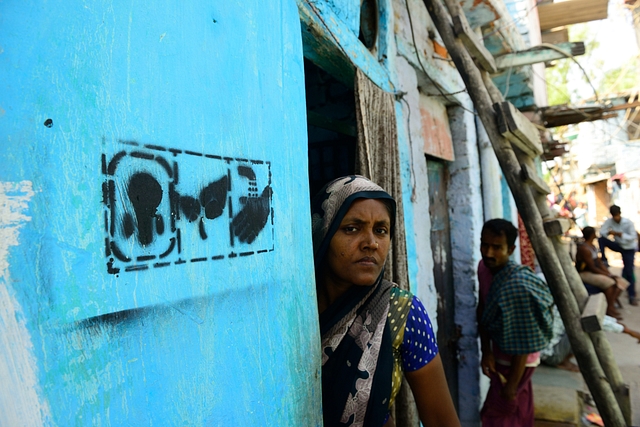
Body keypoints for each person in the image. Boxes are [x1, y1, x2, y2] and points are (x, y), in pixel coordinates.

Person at [311, 175, 460, 427]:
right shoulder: (293, 308)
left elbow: (440, 419)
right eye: (352, 228)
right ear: (323, 232)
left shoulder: (401, 312)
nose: (371, 243)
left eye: (381, 230)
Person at [477, 219, 554, 427]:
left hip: (519, 361)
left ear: (510, 249)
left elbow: (524, 340)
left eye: (497, 248)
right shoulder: (483, 268)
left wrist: (512, 384)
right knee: (518, 409)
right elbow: (482, 308)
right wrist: (486, 351)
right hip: (500, 354)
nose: (489, 253)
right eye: (485, 245)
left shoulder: (516, 285)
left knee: (503, 410)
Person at [576, 226, 629, 319]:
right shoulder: (584, 248)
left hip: (593, 271)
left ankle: (610, 304)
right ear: (592, 235)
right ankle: (609, 308)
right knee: (611, 283)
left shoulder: (592, 246)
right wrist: (607, 275)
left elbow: (599, 263)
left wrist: (609, 273)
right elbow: (592, 267)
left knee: (622, 282)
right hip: (584, 273)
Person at [598, 205, 638, 306]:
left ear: (620, 214)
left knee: (628, 271)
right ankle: (604, 259)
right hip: (619, 246)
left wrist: (620, 234)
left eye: (617, 215)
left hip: (628, 248)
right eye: (614, 216)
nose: (616, 218)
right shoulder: (610, 221)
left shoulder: (628, 223)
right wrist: (609, 232)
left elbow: (633, 237)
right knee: (601, 240)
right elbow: (602, 232)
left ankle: (631, 295)